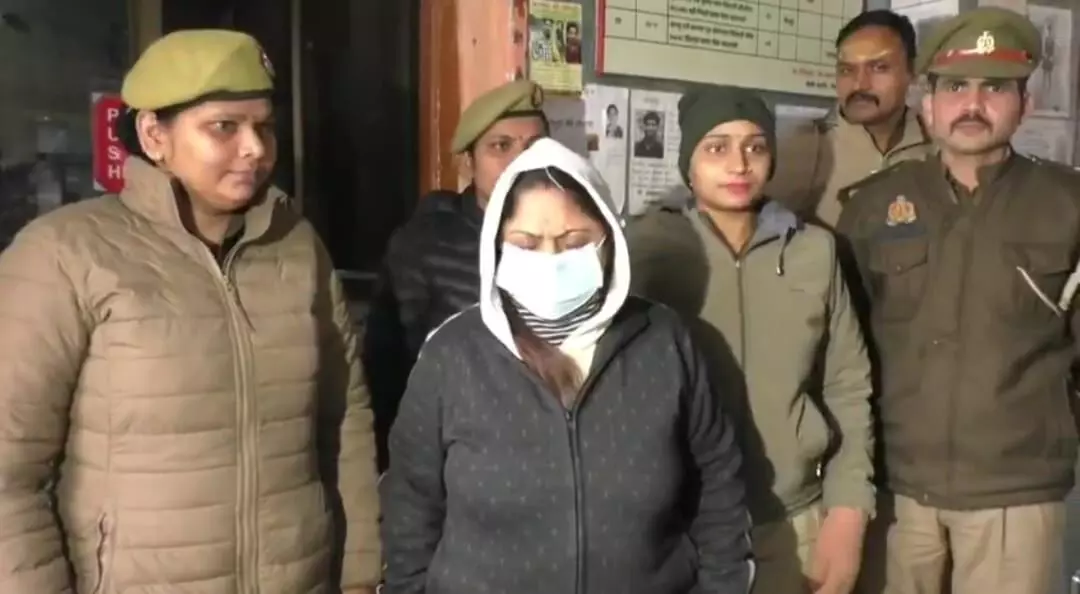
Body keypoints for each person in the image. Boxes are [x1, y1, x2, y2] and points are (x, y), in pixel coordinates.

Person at [0, 30, 380, 593]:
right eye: (224, 127)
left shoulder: (297, 248)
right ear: (154, 134)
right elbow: (9, 473)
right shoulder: (65, 254)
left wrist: (359, 579)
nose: (254, 148)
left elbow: (343, 422)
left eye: (264, 127)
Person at [381, 138, 754, 594]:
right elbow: (410, 508)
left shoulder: (663, 342)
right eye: (526, 243)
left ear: (609, 242)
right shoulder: (452, 355)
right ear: (496, 248)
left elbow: (717, 483)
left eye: (574, 242)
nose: (551, 261)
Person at [836, 9, 1071, 594]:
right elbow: (845, 352)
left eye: (995, 88)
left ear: (1025, 104)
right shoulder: (872, 206)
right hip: (897, 491)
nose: (973, 104)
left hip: (1013, 496)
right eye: (956, 87)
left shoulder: (1067, 205)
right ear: (928, 104)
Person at [628, 85, 874, 594]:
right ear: (688, 162)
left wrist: (849, 510)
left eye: (755, 147)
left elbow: (848, 384)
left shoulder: (814, 250)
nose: (739, 164)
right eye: (716, 147)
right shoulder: (646, 250)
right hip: (681, 527)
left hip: (793, 520)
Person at [363, 80, 548, 470]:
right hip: (456, 458)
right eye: (501, 146)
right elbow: (389, 370)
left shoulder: (571, 237)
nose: (521, 161)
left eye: (534, 147)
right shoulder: (424, 245)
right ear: (467, 163)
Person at [769, 10, 932, 228]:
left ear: (911, 71)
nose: (859, 84)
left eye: (879, 68)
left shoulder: (940, 148)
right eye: (847, 70)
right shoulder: (806, 148)